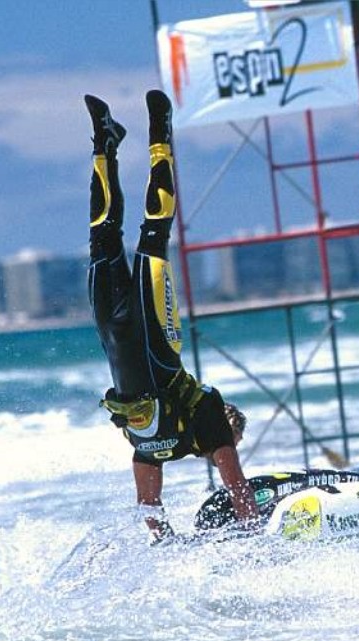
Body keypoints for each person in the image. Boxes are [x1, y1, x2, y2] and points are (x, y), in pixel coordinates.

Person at [84, 89, 259, 542]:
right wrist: (257, 542)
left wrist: (166, 545)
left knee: (102, 239)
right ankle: (159, 130)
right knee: (152, 235)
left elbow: (149, 507)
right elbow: (238, 489)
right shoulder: (208, 412)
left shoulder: (150, 447)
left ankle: (104, 141)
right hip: (156, 336)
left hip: (114, 332)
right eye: (231, 432)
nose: (229, 442)